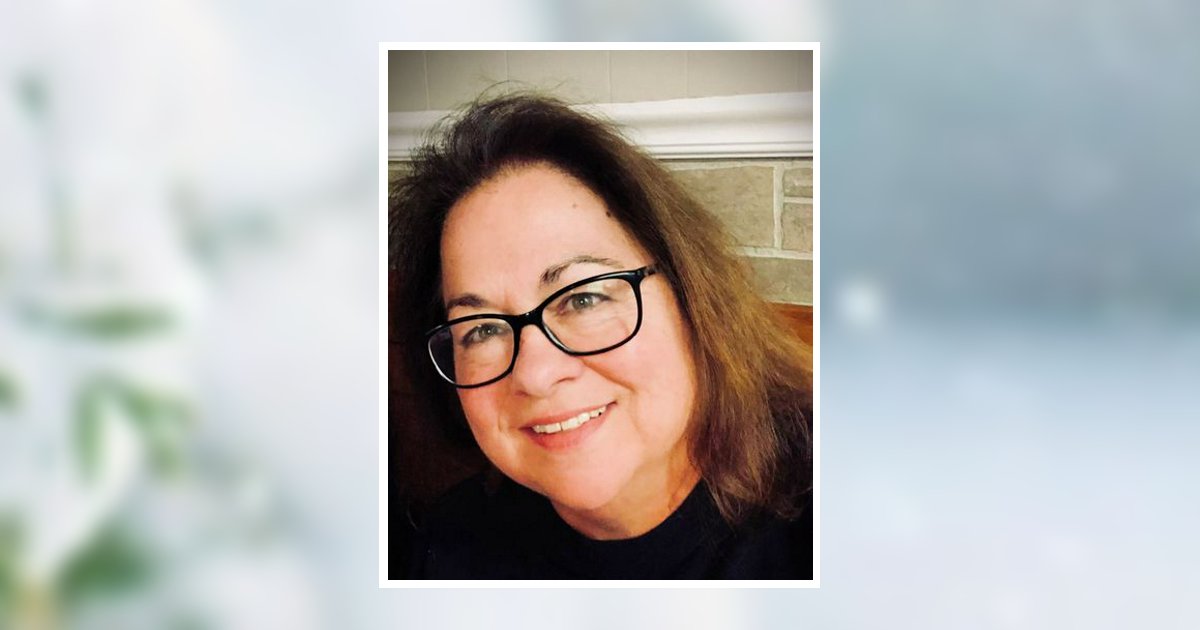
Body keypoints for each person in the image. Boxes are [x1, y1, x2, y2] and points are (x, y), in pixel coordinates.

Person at [389, 92, 813, 579]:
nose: (536, 375)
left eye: (583, 299)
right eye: (482, 329)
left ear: (691, 298)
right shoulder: (449, 552)